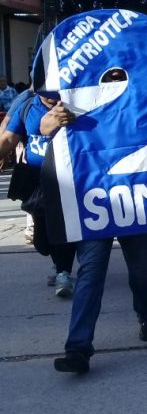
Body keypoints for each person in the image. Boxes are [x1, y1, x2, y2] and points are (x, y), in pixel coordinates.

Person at [41, 77, 147, 374]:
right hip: (93, 201)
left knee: (144, 272)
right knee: (90, 274)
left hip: (135, 197)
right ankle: (78, 348)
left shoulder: (142, 88)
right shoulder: (71, 93)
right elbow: (41, 126)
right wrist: (54, 119)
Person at [0, 92, 77, 297]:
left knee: (61, 227)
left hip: (67, 179)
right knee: (42, 239)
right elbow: (8, 137)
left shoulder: (72, 103)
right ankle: (58, 263)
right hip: (36, 181)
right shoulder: (27, 107)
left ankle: (64, 271)